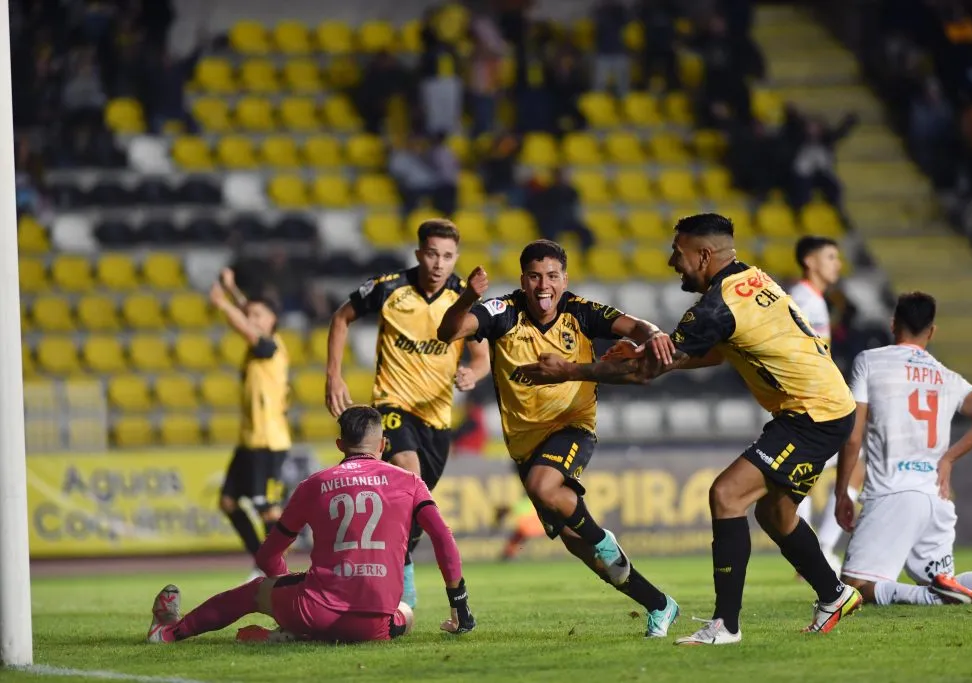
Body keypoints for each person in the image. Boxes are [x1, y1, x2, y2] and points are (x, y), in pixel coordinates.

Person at [519, 214, 862, 644]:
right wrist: (645, 353)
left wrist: (571, 370)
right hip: (826, 406)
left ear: (703, 255)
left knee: (726, 494)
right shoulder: (751, 278)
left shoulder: (716, 307)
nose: (671, 262)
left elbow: (647, 373)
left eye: (678, 254)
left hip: (812, 414)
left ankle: (726, 625)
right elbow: (712, 354)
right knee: (774, 513)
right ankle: (833, 593)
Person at [436, 239, 680, 638]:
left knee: (544, 488)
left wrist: (652, 336)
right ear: (523, 280)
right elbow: (448, 332)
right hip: (525, 444)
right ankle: (659, 604)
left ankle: (602, 537)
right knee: (577, 545)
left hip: (572, 425)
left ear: (564, 279)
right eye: (535, 276)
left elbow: (636, 326)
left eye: (552, 276)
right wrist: (466, 297)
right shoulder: (502, 311)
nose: (543, 285)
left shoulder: (581, 312)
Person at [146, 406, 476, 644]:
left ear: (339, 445)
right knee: (407, 612)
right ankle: (296, 634)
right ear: (383, 445)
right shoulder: (410, 482)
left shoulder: (314, 485)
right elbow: (443, 540)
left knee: (254, 592)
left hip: (313, 610)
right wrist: (458, 604)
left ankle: (170, 632)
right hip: (376, 625)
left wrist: (280, 581)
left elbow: (267, 557)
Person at [324, 219, 490, 609]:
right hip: (392, 405)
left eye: (447, 256)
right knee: (409, 475)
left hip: (436, 419)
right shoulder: (390, 287)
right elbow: (340, 317)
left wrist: (473, 373)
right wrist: (334, 375)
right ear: (419, 254)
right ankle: (403, 591)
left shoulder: (463, 299)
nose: (438, 263)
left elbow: (482, 358)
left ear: (456, 258)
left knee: (416, 505)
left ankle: (400, 569)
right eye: (432, 253)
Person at [835, 292, 972, 607]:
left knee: (853, 587)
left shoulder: (869, 361)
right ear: (932, 331)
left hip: (892, 493)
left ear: (893, 324)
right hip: (935, 496)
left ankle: (931, 598)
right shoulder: (946, 376)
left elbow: (853, 437)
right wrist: (948, 458)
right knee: (941, 578)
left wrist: (843, 492)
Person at [210, 269, 291, 580]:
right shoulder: (260, 339)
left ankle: (271, 568)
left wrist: (223, 304)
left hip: (268, 442)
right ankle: (263, 562)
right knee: (228, 502)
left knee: (268, 509)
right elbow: (249, 315)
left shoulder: (270, 347)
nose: (252, 318)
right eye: (250, 314)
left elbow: (248, 327)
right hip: (249, 442)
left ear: (272, 320)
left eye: (259, 315)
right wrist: (233, 290)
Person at [790, 236, 863, 572]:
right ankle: (815, 553)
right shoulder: (805, 299)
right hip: (811, 405)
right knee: (843, 469)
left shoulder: (813, 299)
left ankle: (815, 553)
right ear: (810, 260)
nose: (838, 264)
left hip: (812, 402)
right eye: (831, 256)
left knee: (803, 480)